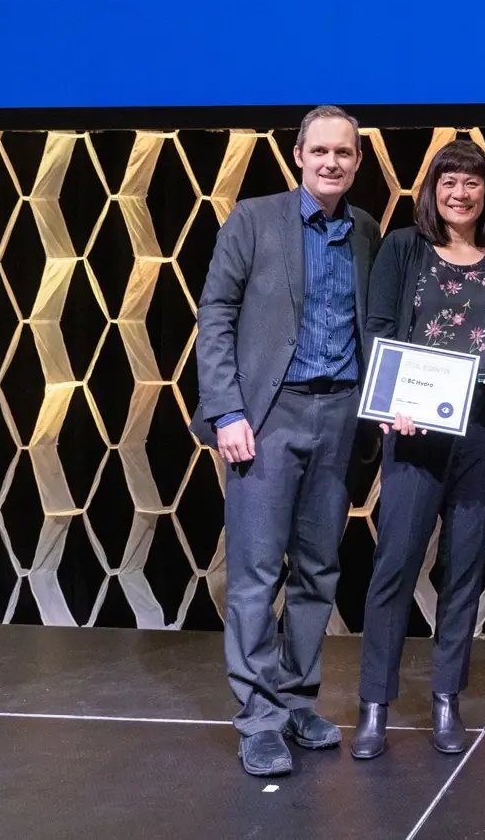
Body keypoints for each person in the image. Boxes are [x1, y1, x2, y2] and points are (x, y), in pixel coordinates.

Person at [193, 106, 381, 777]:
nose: (332, 162)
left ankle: (299, 700)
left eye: (344, 153)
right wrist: (226, 411)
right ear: (298, 155)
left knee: (319, 569)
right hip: (267, 417)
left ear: (358, 161)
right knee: (255, 572)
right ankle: (259, 717)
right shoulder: (253, 219)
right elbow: (215, 313)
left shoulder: (365, 230)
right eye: (320, 151)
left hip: (341, 416)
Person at [351, 139, 485, 760]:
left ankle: (446, 699)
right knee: (395, 566)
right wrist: (388, 402)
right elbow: (378, 330)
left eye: (472, 182)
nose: (461, 192)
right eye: (449, 181)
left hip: (481, 431)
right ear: (432, 190)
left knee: (464, 568)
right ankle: (374, 705)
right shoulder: (404, 248)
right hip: (414, 431)